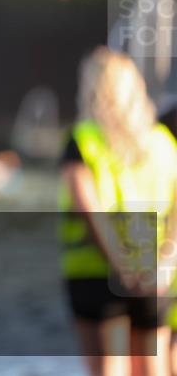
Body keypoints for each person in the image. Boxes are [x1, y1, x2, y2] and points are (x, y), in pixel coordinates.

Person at [59, 47, 177, 376]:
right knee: (154, 367)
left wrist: (121, 266)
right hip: (153, 272)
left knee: (110, 367)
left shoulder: (84, 140)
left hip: (97, 271)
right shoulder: (162, 141)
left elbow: (89, 209)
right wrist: (166, 264)